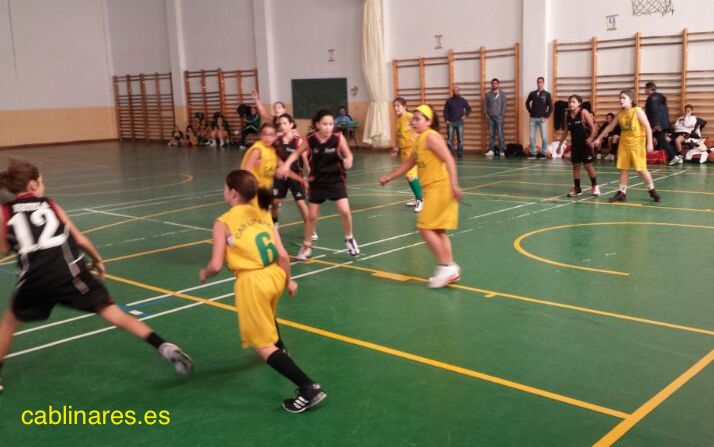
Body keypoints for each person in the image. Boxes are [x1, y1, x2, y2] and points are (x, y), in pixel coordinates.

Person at [0, 160, 193, 392]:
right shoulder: (50, 204)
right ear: (32, 185)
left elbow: (4, 248)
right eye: (42, 181)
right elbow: (80, 239)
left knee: (10, 321)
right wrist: (97, 259)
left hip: (35, 280)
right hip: (71, 273)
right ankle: (163, 346)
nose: (43, 185)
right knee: (112, 312)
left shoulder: (5, 211)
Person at [199, 170, 326, 413]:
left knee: (262, 346)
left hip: (252, 282)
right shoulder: (264, 211)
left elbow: (215, 265)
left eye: (225, 188)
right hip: (275, 275)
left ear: (233, 192)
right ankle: (282, 348)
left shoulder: (223, 223)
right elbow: (282, 254)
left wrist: (205, 273)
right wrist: (289, 281)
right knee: (267, 314)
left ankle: (308, 388)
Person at [379, 105, 462, 288]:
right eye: (413, 118)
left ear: (428, 121)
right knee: (438, 231)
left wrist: (455, 185)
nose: (413, 122)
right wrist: (389, 176)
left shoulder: (431, 137)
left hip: (440, 188)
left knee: (425, 228)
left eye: (418, 118)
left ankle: (445, 267)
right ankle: (450, 268)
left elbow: (449, 159)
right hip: (434, 189)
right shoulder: (419, 139)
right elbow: (409, 164)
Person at [276, 110, 359, 262]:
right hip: (317, 181)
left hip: (335, 180)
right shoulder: (311, 139)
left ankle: (349, 238)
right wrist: (286, 165)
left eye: (331, 124)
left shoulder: (338, 138)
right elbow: (296, 153)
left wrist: (349, 160)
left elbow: (349, 154)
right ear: (317, 124)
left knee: (345, 211)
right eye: (325, 124)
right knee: (312, 216)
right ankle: (307, 245)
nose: (328, 127)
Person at [594, 90, 661, 203]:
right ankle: (622, 193)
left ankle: (652, 190)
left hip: (637, 144)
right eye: (620, 98)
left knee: (641, 169)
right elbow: (609, 127)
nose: (621, 100)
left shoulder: (637, 111)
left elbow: (648, 127)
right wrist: (598, 138)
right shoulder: (620, 113)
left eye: (623, 98)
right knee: (623, 169)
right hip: (624, 144)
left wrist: (649, 143)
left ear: (631, 99)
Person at [272, 113, 317, 241]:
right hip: (280, 176)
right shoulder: (277, 141)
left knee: (301, 203)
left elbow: (304, 158)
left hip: (295, 175)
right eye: (280, 124)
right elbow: (275, 158)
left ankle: (310, 228)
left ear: (291, 124)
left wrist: (310, 172)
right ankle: (274, 224)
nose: (282, 126)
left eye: (285, 123)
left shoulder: (298, 140)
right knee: (275, 202)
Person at [555, 95, 600, 197]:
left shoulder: (584, 112)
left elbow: (593, 128)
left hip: (585, 144)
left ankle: (595, 185)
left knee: (588, 166)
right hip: (575, 144)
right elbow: (566, 131)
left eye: (573, 102)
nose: (571, 104)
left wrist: (590, 138)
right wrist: (560, 145)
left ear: (579, 103)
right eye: (569, 102)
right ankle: (577, 188)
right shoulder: (567, 115)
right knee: (576, 166)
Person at [391, 97, 424, 212]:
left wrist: (417, 135)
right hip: (404, 151)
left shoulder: (410, 117)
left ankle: (421, 200)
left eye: (398, 106)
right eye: (394, 106)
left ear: (404, 106)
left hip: (412, 150)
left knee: (411, 175)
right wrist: (396, 147)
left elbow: (422, 127)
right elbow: (398, 135)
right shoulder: (398, 119)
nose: (396, 108)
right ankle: (417, 198)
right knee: (409, 176)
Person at [644, 81, 679, 165]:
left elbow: (654, 111)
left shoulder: (652, 98)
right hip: (664, 123)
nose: (645, 90)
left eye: (645, 89)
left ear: (649, 88)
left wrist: (656, 125)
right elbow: (665, 112)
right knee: (661, 140)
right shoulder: (660, 98)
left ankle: (673, 157)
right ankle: (673, 156)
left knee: (661, 140)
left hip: (658, 124)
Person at [525, 77, 553, 159]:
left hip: (542, 119)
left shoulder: (547, 94)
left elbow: (551, 107)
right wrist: (530, 111)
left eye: (541, 82)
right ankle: (533, 153)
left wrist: (546, 116)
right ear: (537, 83)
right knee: (531, 137)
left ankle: (543, 153)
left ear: (543, 83)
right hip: (533, 118)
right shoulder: (532, 93)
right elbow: (527, 103)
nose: (539, 83)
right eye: (538, 82)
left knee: (544, 137)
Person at [443, 86, 472, 159]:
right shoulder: (449, 101)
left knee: (460, 140)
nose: (455, 91)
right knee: (450, 140)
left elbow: (469, 109)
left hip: (460, 122)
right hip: (450, 122)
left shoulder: (463, 100)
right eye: (454, 90)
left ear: (459, 91)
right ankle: (449, 154)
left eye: (457, 90)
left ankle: (460, 154)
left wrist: (465, 115)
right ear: (452, 91)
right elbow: (445, 111)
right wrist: (446, 120)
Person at [484, 79, 507, 157]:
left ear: (498, 84)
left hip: (499, 118)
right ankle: (491, 150)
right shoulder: (488, 94)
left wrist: (501, 115)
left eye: (496, 83)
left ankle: (501, 150)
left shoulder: (502, 94)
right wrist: (487, 115)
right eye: (493, 83)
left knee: (500, 134)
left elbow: (504, 105)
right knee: (491, 135)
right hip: (491, 118)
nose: (494, 85)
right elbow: (485, 105)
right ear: (491, 84)